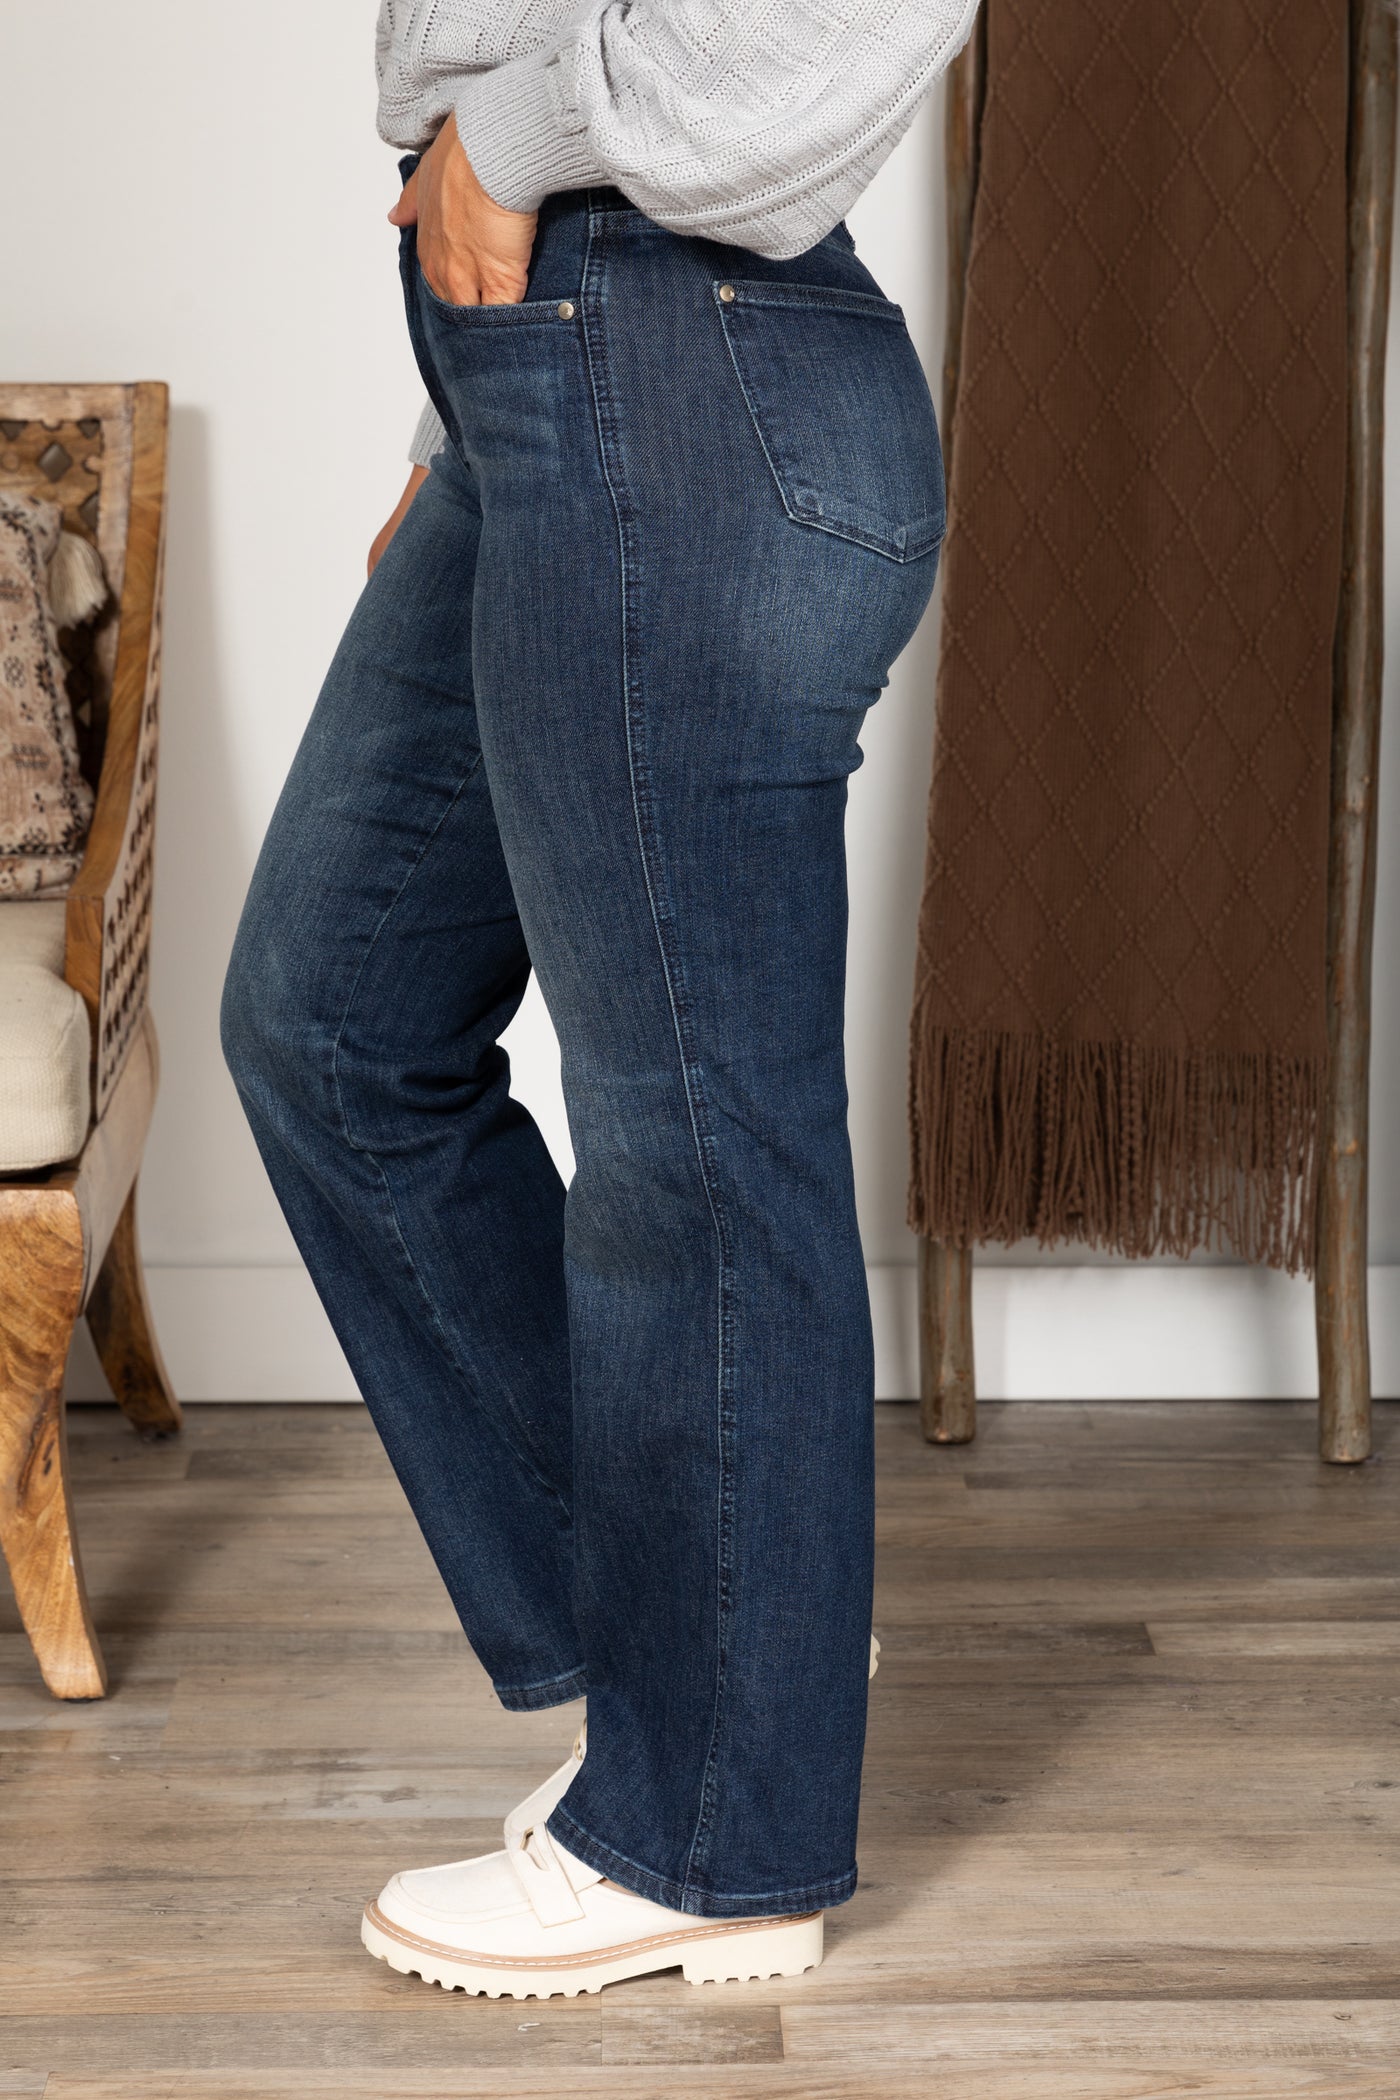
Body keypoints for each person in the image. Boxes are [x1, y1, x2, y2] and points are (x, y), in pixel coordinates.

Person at [221, 0, 976, 2000]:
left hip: (677, 373)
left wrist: (520, 132)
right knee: (332, 1020)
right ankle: (738, 1637)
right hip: (540, 376)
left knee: (697, 1138)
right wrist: (456, 422)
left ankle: (712, 1839)